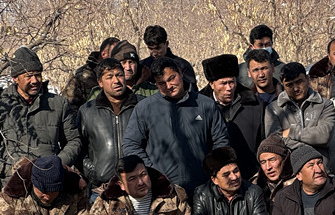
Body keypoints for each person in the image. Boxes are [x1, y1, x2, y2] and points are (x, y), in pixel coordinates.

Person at [122, 56, 229, 198]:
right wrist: (151, 172)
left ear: (180, 72)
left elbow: (221, 141)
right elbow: (130, 144)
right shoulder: (145, 108)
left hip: (204, 190)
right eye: (161, 83)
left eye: (171, 78)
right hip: (163, 193)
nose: (168, 86)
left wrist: (213, 171)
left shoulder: (205, 105)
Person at [0, 47, 82, 187]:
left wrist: (55, 165)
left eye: (38, 74)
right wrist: (6, 169)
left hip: (49, 186)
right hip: (10, 186)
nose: (35, 80)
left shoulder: (58, 104)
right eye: (28, 76)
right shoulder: (3, 106)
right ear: (15, 79)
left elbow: (74, 141)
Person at [77, 58, 142, 192]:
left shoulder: (142, 106)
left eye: (119, 75)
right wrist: (93, 173)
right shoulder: (87, 111)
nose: (116, 81)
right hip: (101, 188)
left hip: (139, 185)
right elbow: (78, 148)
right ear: (100, 82)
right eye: (109, 77)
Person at [200, 54, 265, 181]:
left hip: (251, 176)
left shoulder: (254, 104)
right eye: (223, 83)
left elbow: (262, 140)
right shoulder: (199, 109)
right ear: (212, 84)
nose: (229, 88)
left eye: (232, 82)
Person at [264, 62, 335, 156]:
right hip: (291, 167)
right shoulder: (273, 109)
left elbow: (323, 136)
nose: (296, 88)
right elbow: (276, 143)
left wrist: (291, 132)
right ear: (283, 85)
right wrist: (313, 142)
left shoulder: (324, 105)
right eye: (289, 85)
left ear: (307, 79)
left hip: (320, 166)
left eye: (299, 82)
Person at [63, 36, 119, 109]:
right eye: (116, 54)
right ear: (104, 54)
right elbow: (69, 105)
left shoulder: (124, 74)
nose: (119, 57)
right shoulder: (82, 75)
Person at [252, 134, 293, 208]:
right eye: (263, 162)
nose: (268, 167)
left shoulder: (299, 180)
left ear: (284, 158)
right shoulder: (255, 185)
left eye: (272, 160)